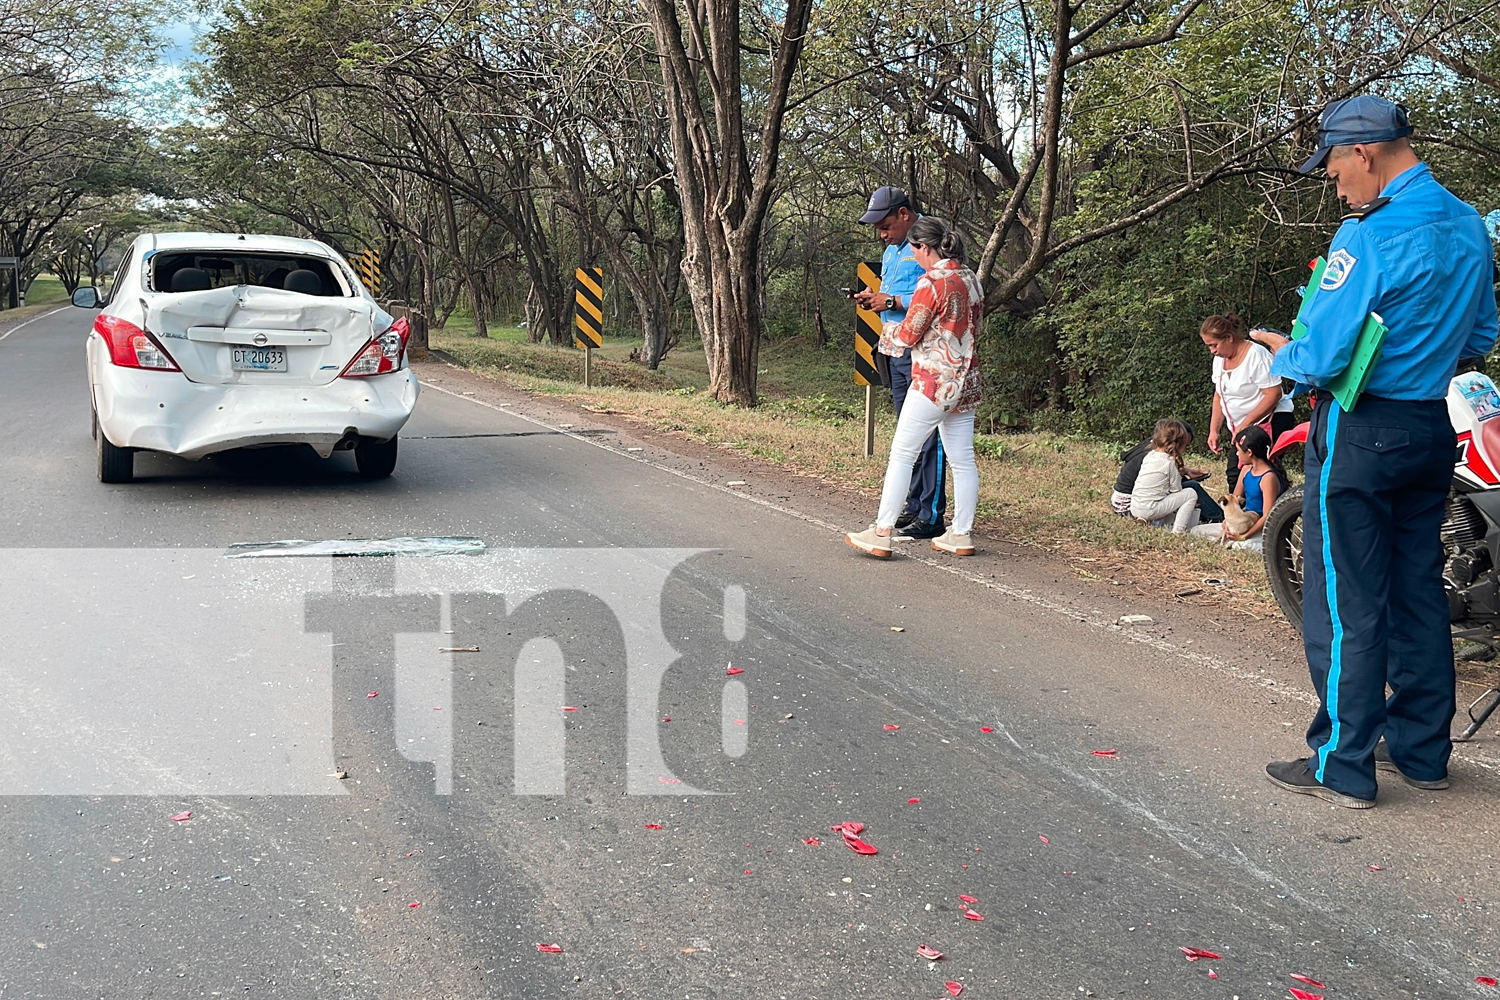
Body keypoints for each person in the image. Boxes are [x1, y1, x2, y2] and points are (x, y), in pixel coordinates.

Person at [1252, 95, 1499, 808]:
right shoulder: (1468, 224)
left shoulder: (1367, 237)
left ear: (1363, 152)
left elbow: (1322, 355)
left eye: (1333, 169)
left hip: (1360, 433)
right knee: (1418, 591)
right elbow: (1480, 332)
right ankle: (1422, 751)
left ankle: (1341, 762)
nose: (1335, 184)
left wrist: (1283, 350)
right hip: (1429, 427)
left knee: (1344, 600)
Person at [846, 217, 982, 558]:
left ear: (923, 247)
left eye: (915, 251)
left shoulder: (931, 282)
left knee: (903, 453)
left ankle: (881, 532)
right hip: (968, 378)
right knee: (963, 459)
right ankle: (961, 534)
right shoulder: (970, 278)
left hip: (934, 380)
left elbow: (908, 334)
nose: (915, 257)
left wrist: (886, 334)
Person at [853, 186, 948, 539]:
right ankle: (913, 505)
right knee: (908, 431)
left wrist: (892, 300)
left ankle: (933, 511)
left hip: (920, 351)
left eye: (885, 224)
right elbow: (891, 294)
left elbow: (940, 293)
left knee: (927, 433)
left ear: (905, 215)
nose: (881, 232)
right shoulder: (893, 249)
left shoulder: (932, 242)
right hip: (892, 347)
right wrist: (874, 299)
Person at [1200, 313, 1295, 491]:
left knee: (1259, 472)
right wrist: (1214, 430)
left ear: (1228, 338)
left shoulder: (1256, 355)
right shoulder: (1219, 361)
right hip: (1244, 427)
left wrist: (1246, 424)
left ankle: (1274, 513)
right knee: (1236, 475)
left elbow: (1273, 394)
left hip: (1271, 421)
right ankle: (1246, 514)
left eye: (1214, 345)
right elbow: (1219, 395)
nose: (1212, 350)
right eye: (1209, 346)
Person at [1111, 421, 1223, 523]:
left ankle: (1215, 516)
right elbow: (1175, 489)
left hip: (1126, 503)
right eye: (1184, 445)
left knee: (1188, 487)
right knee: (1191, 490)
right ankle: (1219, 518)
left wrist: (1185, 471)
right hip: (1129, 505)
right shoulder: (1169, 461)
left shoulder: (1151, 451)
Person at [1193, 426, 1282, 550]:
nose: (1236, 454)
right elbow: (1233, 500)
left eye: (1239, 450)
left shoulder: (1268, 477)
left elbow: (1267, 516)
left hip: (1258, 528)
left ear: (1249, 452)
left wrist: (1244, 536)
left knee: (1238, 545)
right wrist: (1227, 523)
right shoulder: (1246, 470)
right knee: (1196, 531)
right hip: (1242, 522)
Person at [1128, 419, 1200, 533]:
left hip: (1135, 507)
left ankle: (1148, 520)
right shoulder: (1170, 462)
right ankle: (1178, 531)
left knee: (1162, 496)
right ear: (1179, 444)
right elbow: (1176, 490)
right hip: (1150, 509)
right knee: (1190, 494)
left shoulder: (1150, 455)